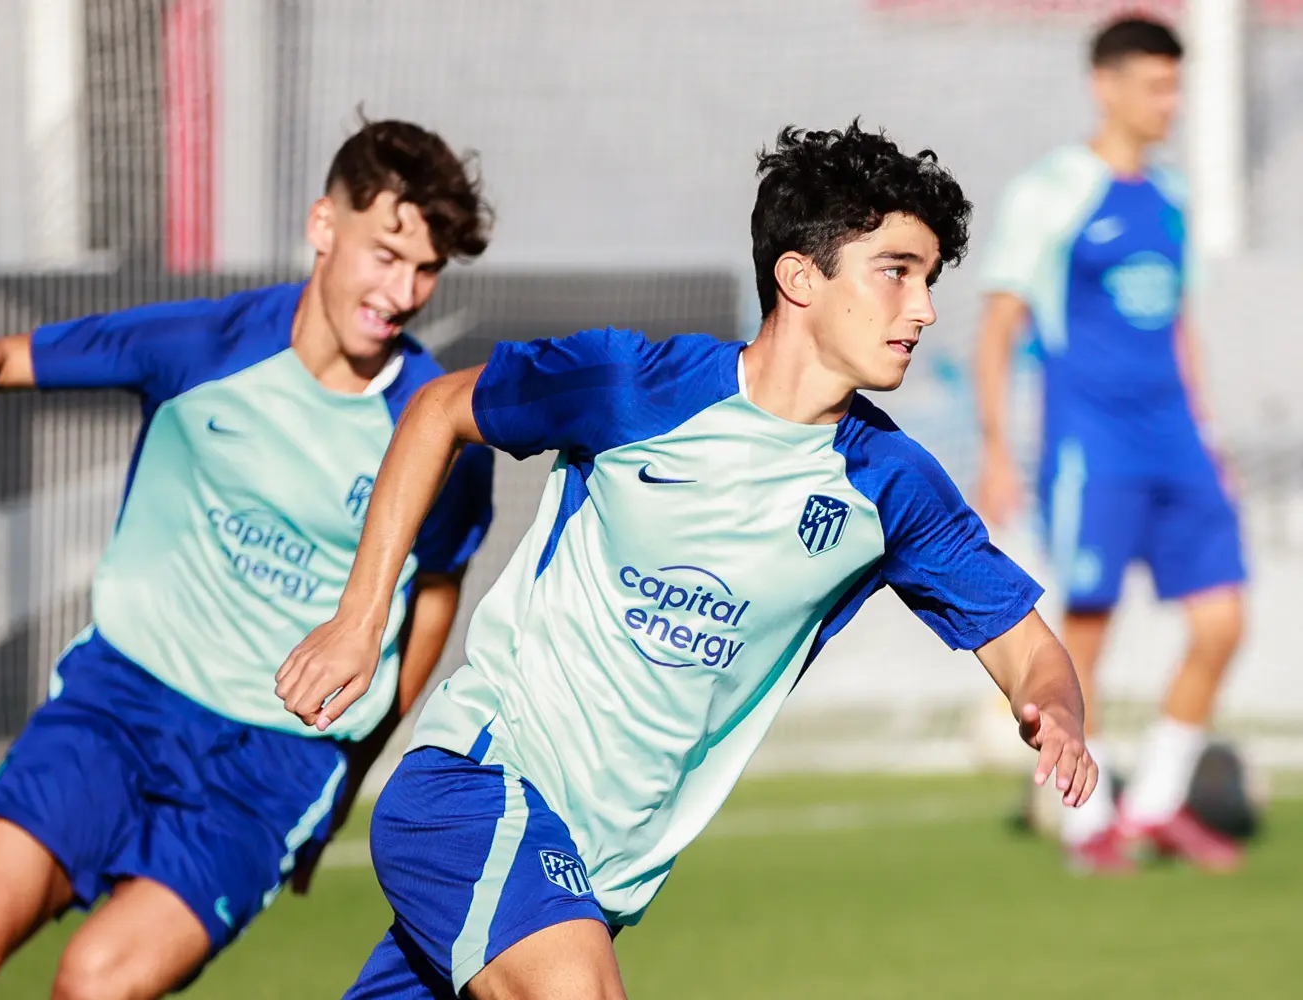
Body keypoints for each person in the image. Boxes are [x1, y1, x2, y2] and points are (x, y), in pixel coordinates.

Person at [276, 120, 1097, 1000]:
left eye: (929, 280)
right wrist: (360, 623)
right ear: (799, 278)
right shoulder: (634, 387)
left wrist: (1055, 708)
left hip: (596, 875)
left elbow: (1029, 650)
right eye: (895, 272)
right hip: (479, 783)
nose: (925, 308)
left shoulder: (890, 486)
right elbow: (437, 409)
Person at [0, 119, 496, 1000]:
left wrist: (355, 767)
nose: (404, 291)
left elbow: (434, 592)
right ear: (322, 225)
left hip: (269, 763)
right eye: (386, 254)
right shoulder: (206, 345)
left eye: (426, 270)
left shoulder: (437, 425)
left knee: (96, 984)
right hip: (119, 701)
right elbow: (1, 357)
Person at [973, 17, 1245, 873]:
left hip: (1177, 443)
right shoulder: (1051, 192)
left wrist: (1207, 433)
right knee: (1085, 632)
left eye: (1177, 87)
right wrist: (997, 450)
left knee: (1222, 622)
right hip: (1092, 445)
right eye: (1157, 87)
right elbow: (998, 328)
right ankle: (1089, 828)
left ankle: (1157, 806)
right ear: (1108, 85)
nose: (1171, 104)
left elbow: (1181, 327)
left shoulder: (1172, 195)